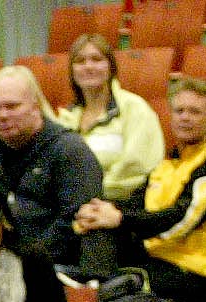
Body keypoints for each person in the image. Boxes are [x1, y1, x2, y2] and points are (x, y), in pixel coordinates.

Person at [73, 76, 206, 302]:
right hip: (160, 263)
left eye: (195, 112)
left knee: (116, 280)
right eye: (179, 111)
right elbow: (134, 203)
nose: (184, 117)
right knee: (97, 227)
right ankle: (88, 287)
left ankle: (94, 296)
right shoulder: (166, 166)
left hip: (201, 276)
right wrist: (97, 211)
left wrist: (120, 219)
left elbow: (181, 220)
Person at [0, 65, 115, 277]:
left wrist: (24, 260)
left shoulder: (70, 152)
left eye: (12, 106)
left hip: (55, 271)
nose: (3, 115)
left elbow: (75, 224)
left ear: (35, 106)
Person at [53, 34, 164, 201]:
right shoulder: (65, 118)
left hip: (122, 206)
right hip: (71, 206)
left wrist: (90, 196)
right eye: (80, 61)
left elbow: (136, 167)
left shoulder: (134, 109)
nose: (88, 66)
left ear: (111, 67)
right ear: (72, 71)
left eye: (97, 59)